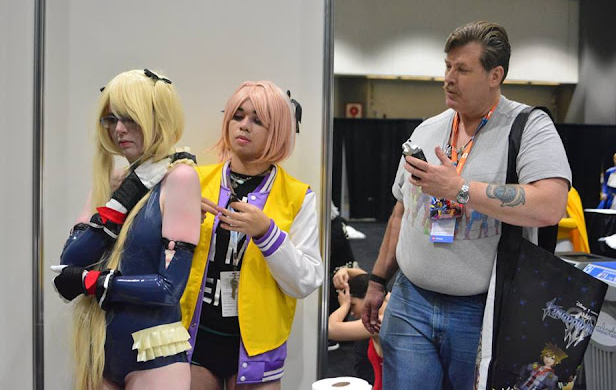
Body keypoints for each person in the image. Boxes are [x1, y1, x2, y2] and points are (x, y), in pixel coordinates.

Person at [361, 21, 572, 389]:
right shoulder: (427, 129)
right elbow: (401, 211)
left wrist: (458, 189)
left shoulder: (529, 127)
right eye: (447, 66)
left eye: (462, 69)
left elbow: (551, 206)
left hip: (483, 311)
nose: (448, 78)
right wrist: (378, 282)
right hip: (410, 301)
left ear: (495, 75)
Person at [52, 69, 201, 390]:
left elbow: (168, 287)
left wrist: (94, 281)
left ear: (158, 118)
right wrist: (120, 199)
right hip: (102, 349)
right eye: (112, 119)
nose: (119, 129)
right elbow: (69, 265)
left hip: (155, 355)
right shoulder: (114, 182)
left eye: (130, 118)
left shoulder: (180, 178)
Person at [179, 81, 324, 389]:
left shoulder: (298, 196)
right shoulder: (192, 181)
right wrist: (178, 223)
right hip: (192, 339)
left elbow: (307, 279)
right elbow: (157, 259)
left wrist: (268, 234)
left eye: (258, 120)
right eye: (238, 115)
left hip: (258, 350)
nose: (244, 125)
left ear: (279, 131)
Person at [329, 269, 387, 390]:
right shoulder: (391, 303)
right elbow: (370, 280)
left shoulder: (380, 323)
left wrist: (345, 305)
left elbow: (330, 329)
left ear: (368, 296)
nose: (352, 313)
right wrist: (346, 270)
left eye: (353, 305)